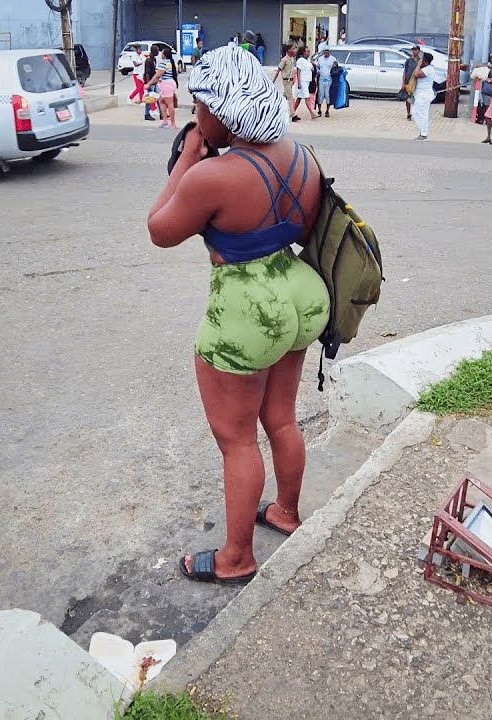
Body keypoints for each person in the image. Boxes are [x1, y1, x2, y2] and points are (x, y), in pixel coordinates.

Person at [147, 46, 329, 585]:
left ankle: (236, 559)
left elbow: (160, 229)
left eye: (199, 106)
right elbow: (302, 222)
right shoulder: (301, 152)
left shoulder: (214, 177)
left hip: (250, 311)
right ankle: (287, 512)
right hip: (301, 293)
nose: (195, 116)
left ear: (222, 111)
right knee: (282, 420)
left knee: (238, 441)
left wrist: (187, 158)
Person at [410, 52, 441, 140]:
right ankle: (422, 130)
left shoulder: (428, 69)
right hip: (419, 94)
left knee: (422, 114)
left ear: (424, 61)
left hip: (424, 95)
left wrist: (418, 65)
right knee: (415, 112)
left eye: (421, 59)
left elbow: (417, 74)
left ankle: (424, 133)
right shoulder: (425, 68)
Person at [149, 45, 179, 129]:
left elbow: (158, 74)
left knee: (169, 104)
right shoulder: (172, 63)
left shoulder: (164, 63)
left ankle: (172, 123)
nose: (160, 54)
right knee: (162, 102)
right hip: (168, 83)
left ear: (164, 54)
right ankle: (165, 121)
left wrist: (149, 83)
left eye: (162, 53)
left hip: (166, 84)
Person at [291, 47, 319, 121]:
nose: (308, 53)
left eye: (309, 52)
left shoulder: (308, 60)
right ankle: (312, 113)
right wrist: (299, 83)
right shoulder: (300, 60)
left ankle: (292, 112)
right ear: (303, 52)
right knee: (307, 97)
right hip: (302, 81)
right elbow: (298, 71)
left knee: (299, 98)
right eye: (307, 52)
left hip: (307, 81)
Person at [470, 53, 492, 124]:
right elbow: (477, 67)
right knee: (483, 103)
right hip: (485, 88)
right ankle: (483, 118)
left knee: (490, 104)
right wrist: (487, 66)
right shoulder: (487, 65)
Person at [401, 46, 422, 121]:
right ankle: (408, 113)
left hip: (417, 83)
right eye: (413, 50)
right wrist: (403, 83)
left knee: (418, 99)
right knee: (408, 99)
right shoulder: (408, 60)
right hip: (408, 82)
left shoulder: (421, 61)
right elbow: (405, 72)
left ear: (419, 51)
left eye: (415, 50)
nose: (414, 52)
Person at [315, 47, 337, 117]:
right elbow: (318, 67)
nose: (325, 53)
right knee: (320, 94)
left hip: (329, 78)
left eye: (327, 51)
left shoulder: (333, 59)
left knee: (327, 94)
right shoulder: (320, 59)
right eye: (324, 51)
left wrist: (336, 65)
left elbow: (335, 67)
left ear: (329, 52)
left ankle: (327, 111)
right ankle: (319, 110)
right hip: (321, 78)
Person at [142, 47, 158, 121]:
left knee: (158, 97)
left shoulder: (154, 59)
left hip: (154, 81)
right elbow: (147, 72)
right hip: (150, 82)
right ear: (153, 51)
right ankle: (147, 114)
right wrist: (148, 83)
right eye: (157, 51)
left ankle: (162, 113)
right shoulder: (148, 60)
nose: (158, 52)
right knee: (149, 99)